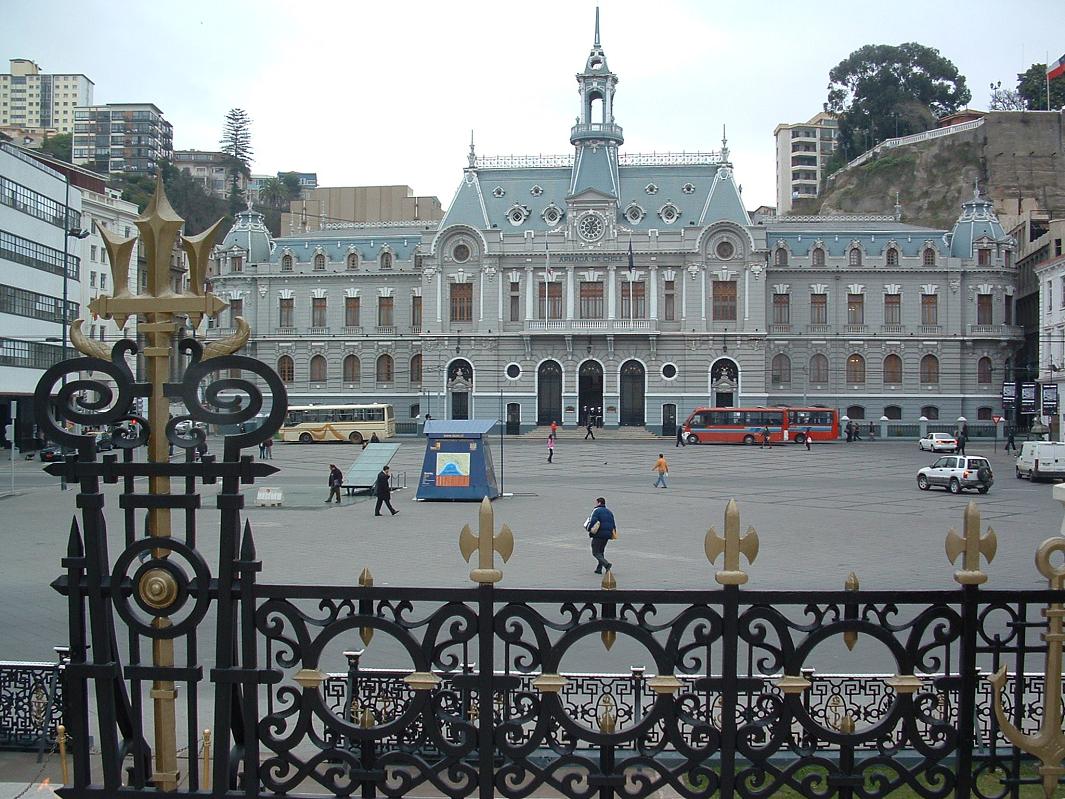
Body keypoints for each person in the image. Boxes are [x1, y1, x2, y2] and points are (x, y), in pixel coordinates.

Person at [585, 496, 616, 574]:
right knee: (601, 551)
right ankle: (599, 569)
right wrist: (613, 533)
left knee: (595, 552)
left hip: (599, 534)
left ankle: (606, 564)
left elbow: (593, 521)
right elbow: (613, 523)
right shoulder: (609, 512)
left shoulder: (597, 511)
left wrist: (589, 529)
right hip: (607, 534)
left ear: (599, 503)